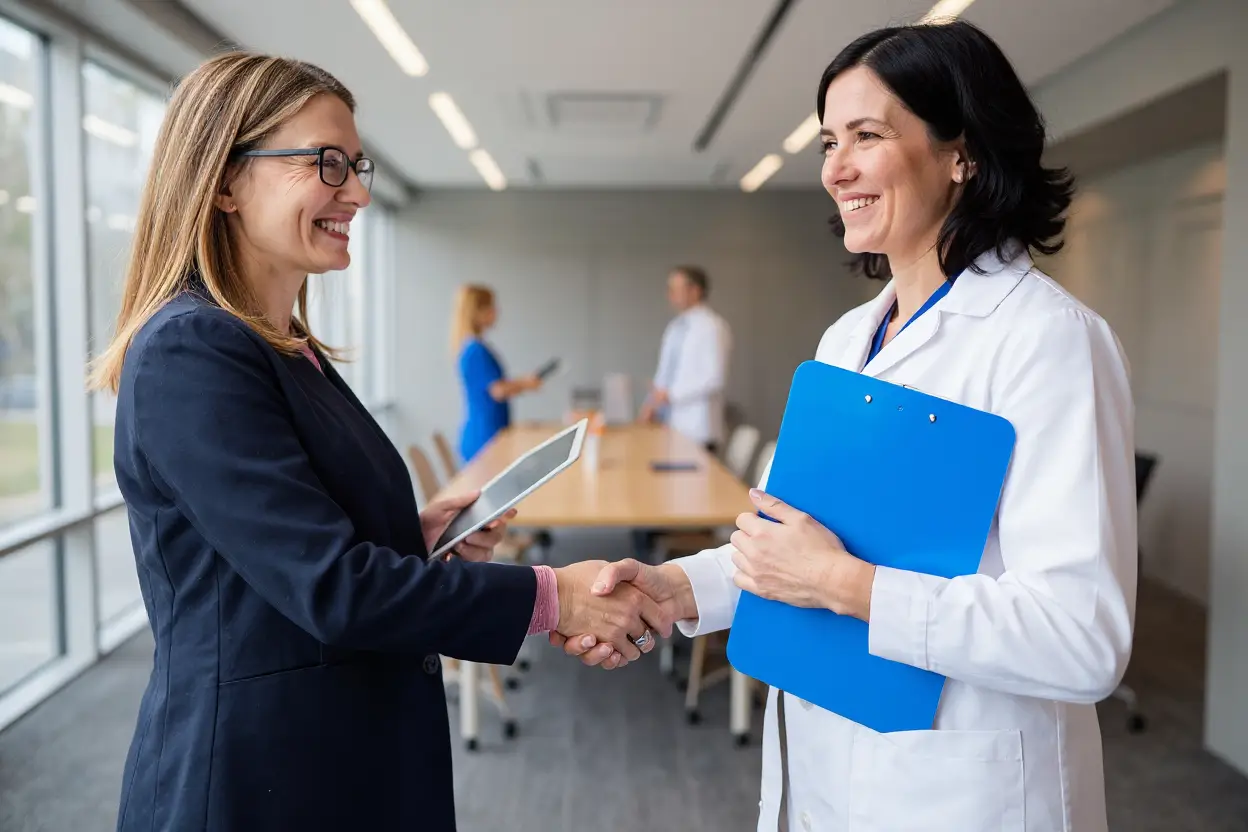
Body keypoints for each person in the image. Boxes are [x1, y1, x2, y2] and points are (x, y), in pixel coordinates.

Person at [558, 20, 1136, 832]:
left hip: (963, 790)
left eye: (868, 135)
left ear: (960, 153)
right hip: (826, 766)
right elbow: (797, 545)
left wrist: (843, 585)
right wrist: (676, 587)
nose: (836, 168)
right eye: (829, 141)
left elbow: (1082, 638)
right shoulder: (847, 340)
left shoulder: (1047, 339)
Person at [88, 53, 671, 832]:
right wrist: (554, 597)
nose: (357, 191)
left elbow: (291, 546)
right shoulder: (191, 351)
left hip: (337, 753)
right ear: (224, 181)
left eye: (355, 165)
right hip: (254, 779)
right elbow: (332, 587)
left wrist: (415, 536)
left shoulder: (287, 346)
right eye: (327, 163)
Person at [638, 265, 732, 453]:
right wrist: (652, 403)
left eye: (675, 288)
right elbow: (665, 373)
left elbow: (714, 378)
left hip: (699, 429)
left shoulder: (712, 327)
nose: (670, 294)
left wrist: (670, 395)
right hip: (672, 425)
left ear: (695, 291)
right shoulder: (676, 327)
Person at [452, 284, 541, 463]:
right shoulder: (476, 350)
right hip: (484, 438)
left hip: (489, 434)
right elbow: (498, 390)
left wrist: (522, 383)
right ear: (477, 311)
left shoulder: (473, 347)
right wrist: (525, 383)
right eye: (491, 306)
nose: (496, 311)